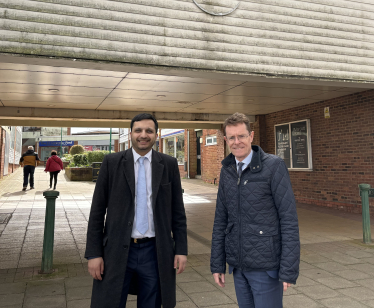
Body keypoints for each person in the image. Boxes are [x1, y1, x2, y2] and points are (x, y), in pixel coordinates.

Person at [85, 113, 188, 308]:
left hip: (155, 251)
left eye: (149, 131)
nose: (143, 135)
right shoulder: (112, 162)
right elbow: (97, 211)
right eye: (138, 130)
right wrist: (93, 253)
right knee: (109, 302)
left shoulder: (168, 164)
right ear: (130, 133)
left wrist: (181, 249)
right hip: (116, 251)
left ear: (156, 135)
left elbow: (178, 212)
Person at [210, 112, 300, 308]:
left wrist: (288, 269)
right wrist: (217, 264)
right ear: (226, 140)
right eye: (231, 138)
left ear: (251, 136)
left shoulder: (274, 166)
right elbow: (220, 220)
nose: (237, 142)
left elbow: (288, 219)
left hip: (266, 267)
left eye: (241, 136)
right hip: (238, 267)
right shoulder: (227, 170)